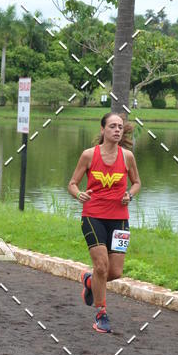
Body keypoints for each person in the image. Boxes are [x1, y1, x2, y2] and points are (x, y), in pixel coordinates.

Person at [67, 113, 141, 334]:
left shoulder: (127, 157)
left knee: (115, 272)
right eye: (112, 126)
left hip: (120, 219)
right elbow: (72, 184)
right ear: (102, 130)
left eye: (120, 127)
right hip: (93, 216)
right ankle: (101, 314)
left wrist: (130, 194)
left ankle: (90, 282)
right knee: (101, 266)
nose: (117, 130)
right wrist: (79, 194)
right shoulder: (89, 155)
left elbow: (137, 183)